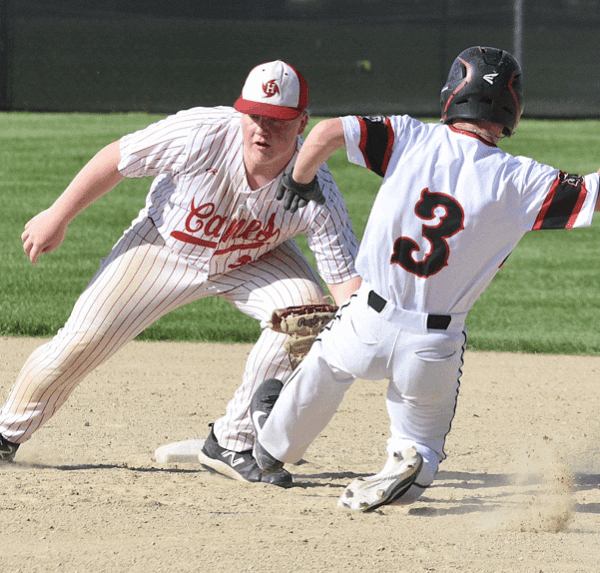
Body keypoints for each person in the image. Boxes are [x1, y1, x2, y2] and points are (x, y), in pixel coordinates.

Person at [249, 46, 600, 509]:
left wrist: (299, 178)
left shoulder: (408, 136)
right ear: (512, 108)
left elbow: (329, 131)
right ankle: (408, 464)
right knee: (422, 445)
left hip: (365, 320)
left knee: (324, 370)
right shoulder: (523, 181)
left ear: (453, 92)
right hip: (434, 343)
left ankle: (273, 448)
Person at [0, 60, 361, 488]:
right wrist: (57, 216)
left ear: (303, 122)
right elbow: (118, 158)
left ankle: (231, 442)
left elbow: (345, 287)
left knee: (307, 317)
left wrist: (367, 331)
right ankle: (7, 433)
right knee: (79, 343)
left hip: (255, 258)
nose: (263, 130)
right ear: (240, 111)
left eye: (279, 121)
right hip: (163, 246)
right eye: (255, 117)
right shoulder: (202, 132)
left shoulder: (318, 190)